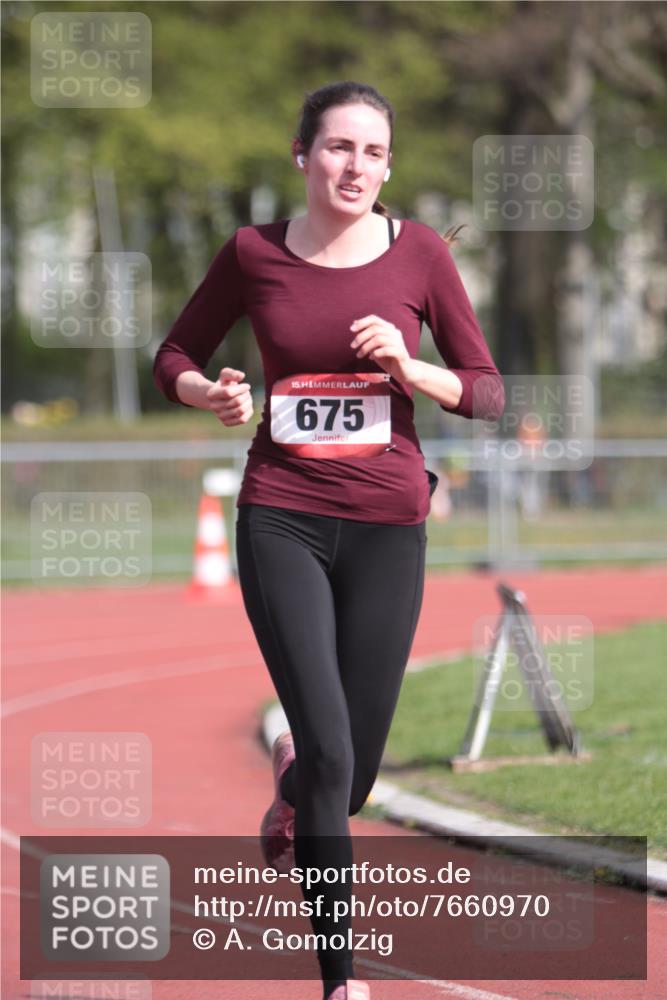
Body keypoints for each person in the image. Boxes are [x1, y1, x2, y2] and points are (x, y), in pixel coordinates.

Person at [153, 80, 504, 1000]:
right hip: (282, 516)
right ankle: (341, 979)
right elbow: (174, 355)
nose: (356, 167)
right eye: (339, 148)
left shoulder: (420, 253)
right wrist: (212, 395)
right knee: (336, 756)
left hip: (389, 525)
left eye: (374, 153)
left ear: (388, 167)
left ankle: (294, 773)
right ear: (303, 156)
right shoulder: (253, 252)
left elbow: (487, 389)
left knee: (342, 784)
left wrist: (405, 364)